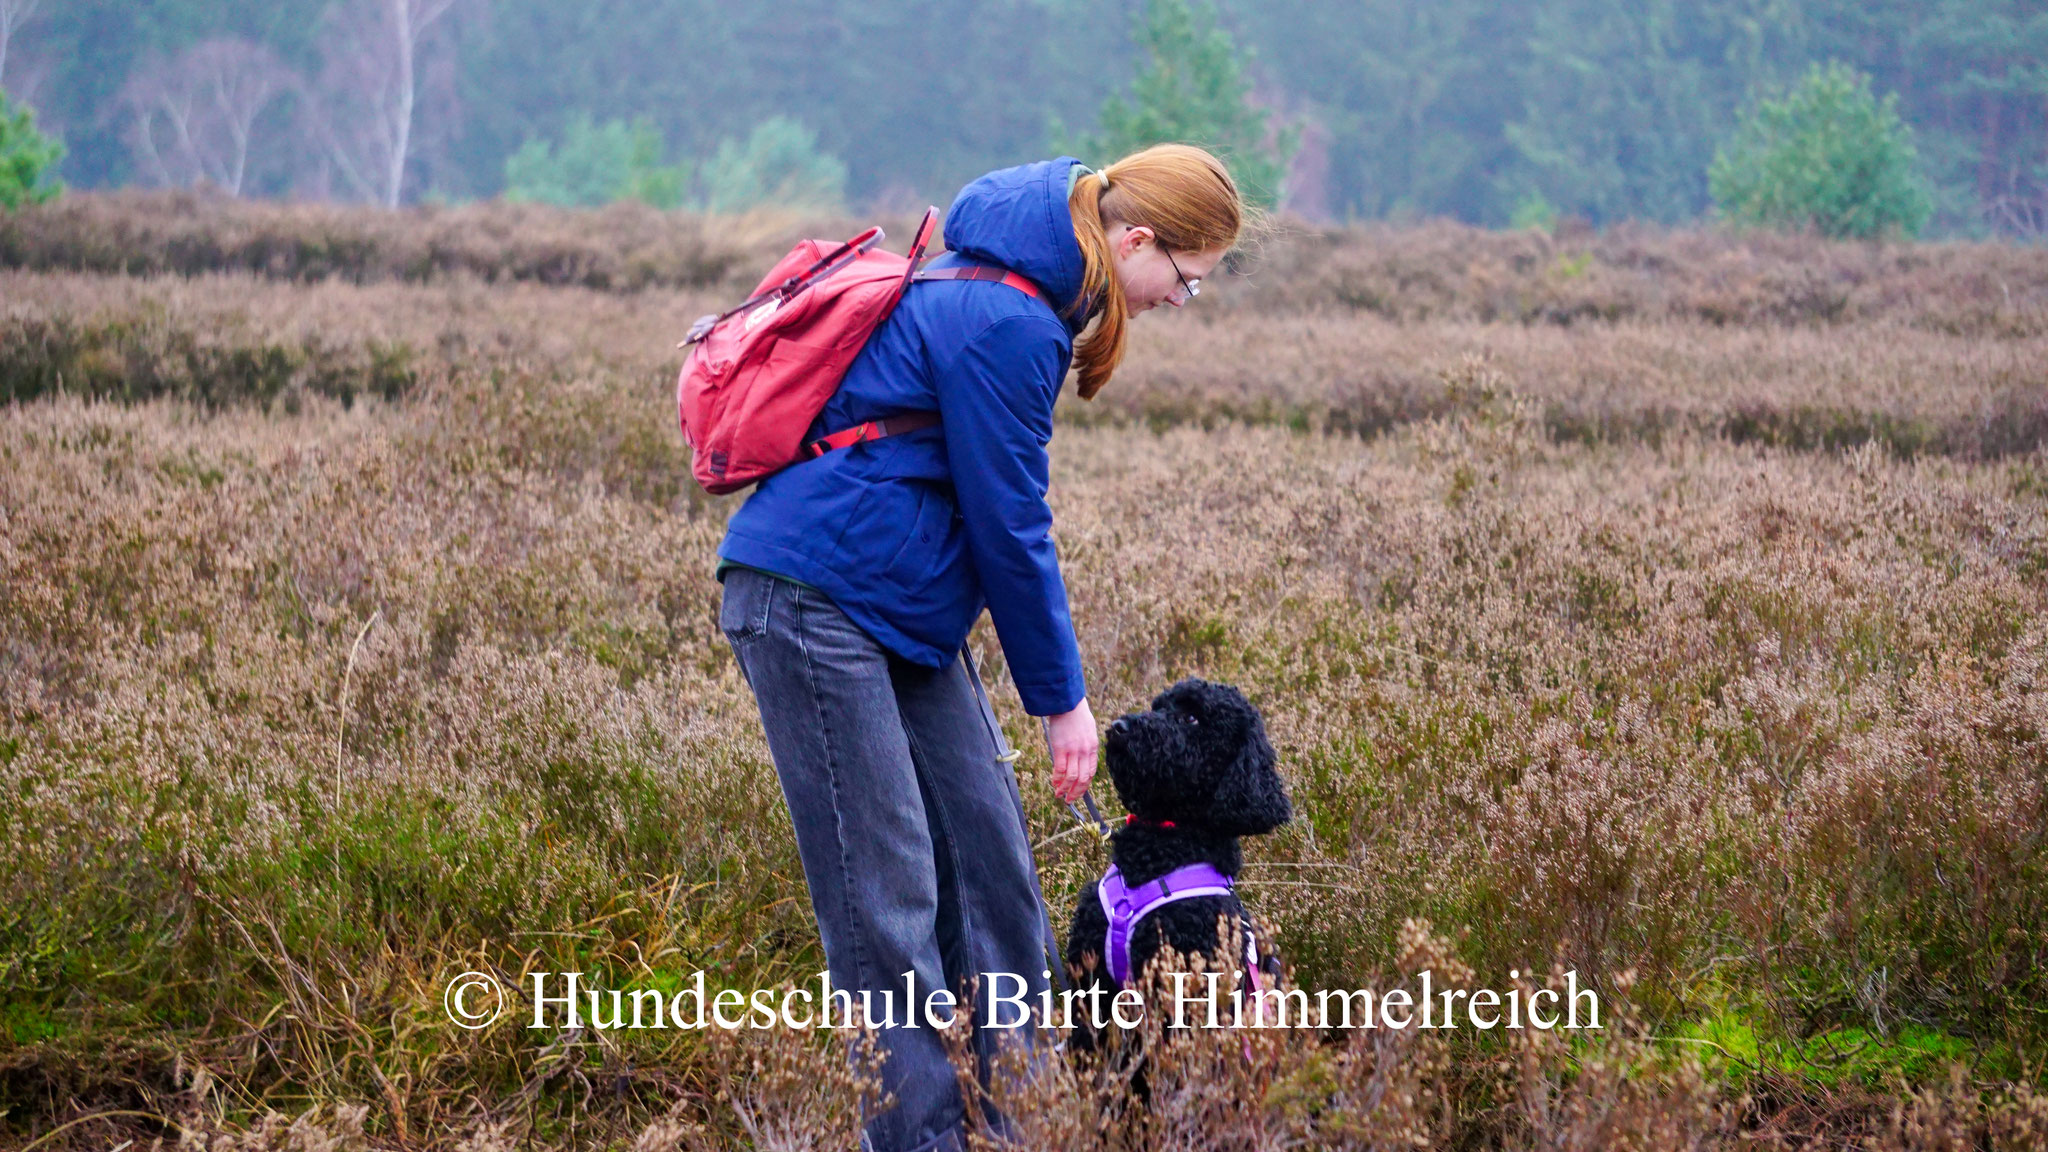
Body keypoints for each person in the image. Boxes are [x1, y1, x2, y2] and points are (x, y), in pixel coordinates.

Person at [715, 144, 1249, 1152]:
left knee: (993, 869)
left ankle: (1023, 1125)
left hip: (902, 610)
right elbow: (1011, 525)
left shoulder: (1025, 301)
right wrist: (1062, 703)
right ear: (1136, 240)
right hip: (810, 600)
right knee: (887, 904)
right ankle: (921, 1139)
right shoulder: (1007, 319)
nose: (1182, 301)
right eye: (1185, 279)